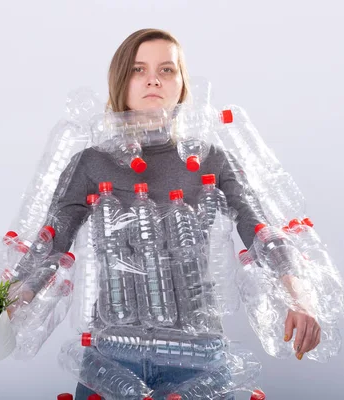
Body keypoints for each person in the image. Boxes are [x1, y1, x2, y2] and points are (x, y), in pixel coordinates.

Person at [40, 28, 322, 399]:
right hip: (112, 356)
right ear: (120, 81)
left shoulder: (210, 158)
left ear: (183, 86)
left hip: (199, 357)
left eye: (167, 70)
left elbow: (261, 230)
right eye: (139, 69)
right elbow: (48, 248)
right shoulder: (92, 163)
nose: (153, 79)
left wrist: (300, 298)